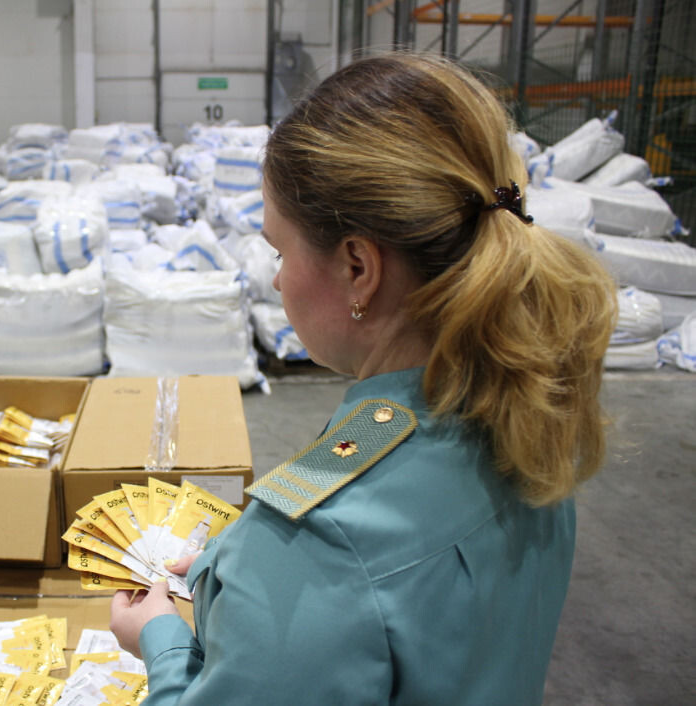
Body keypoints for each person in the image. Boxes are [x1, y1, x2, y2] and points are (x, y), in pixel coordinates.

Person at [109, 52, 617, 705]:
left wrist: (163, 639)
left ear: (358, 268)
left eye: (279, 250)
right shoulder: (530, 421)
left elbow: (340, 565)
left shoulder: (313, 541)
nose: (275, 279)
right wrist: (229, 568)